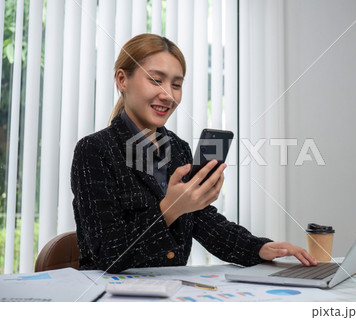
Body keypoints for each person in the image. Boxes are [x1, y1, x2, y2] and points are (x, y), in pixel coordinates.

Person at [71, 33, 317, 273]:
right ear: (122, 80)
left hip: (172, 294)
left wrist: (261, 247)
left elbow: (205, 223)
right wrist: (170, 208)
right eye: (156, 80)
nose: (168, 94)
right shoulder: (94, 150)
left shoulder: (178, 149)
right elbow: (108, 254)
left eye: (176, 85)